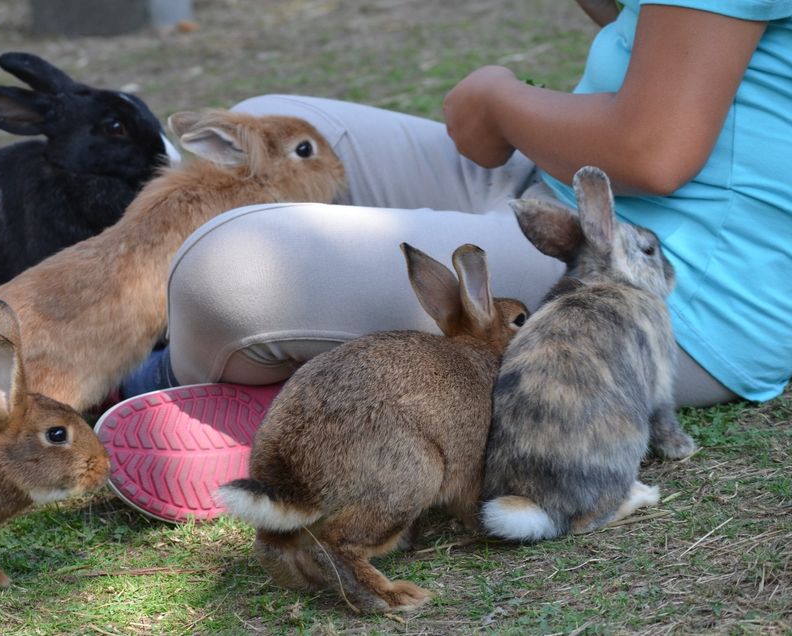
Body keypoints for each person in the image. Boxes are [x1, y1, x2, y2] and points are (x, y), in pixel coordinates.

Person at [99, 0, 792, 523]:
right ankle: (326, 375)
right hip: (549, 186)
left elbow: (651, 150)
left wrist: (500, 101)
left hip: (657, 280)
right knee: (271, 134)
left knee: (233, 268)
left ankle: (244, 404)